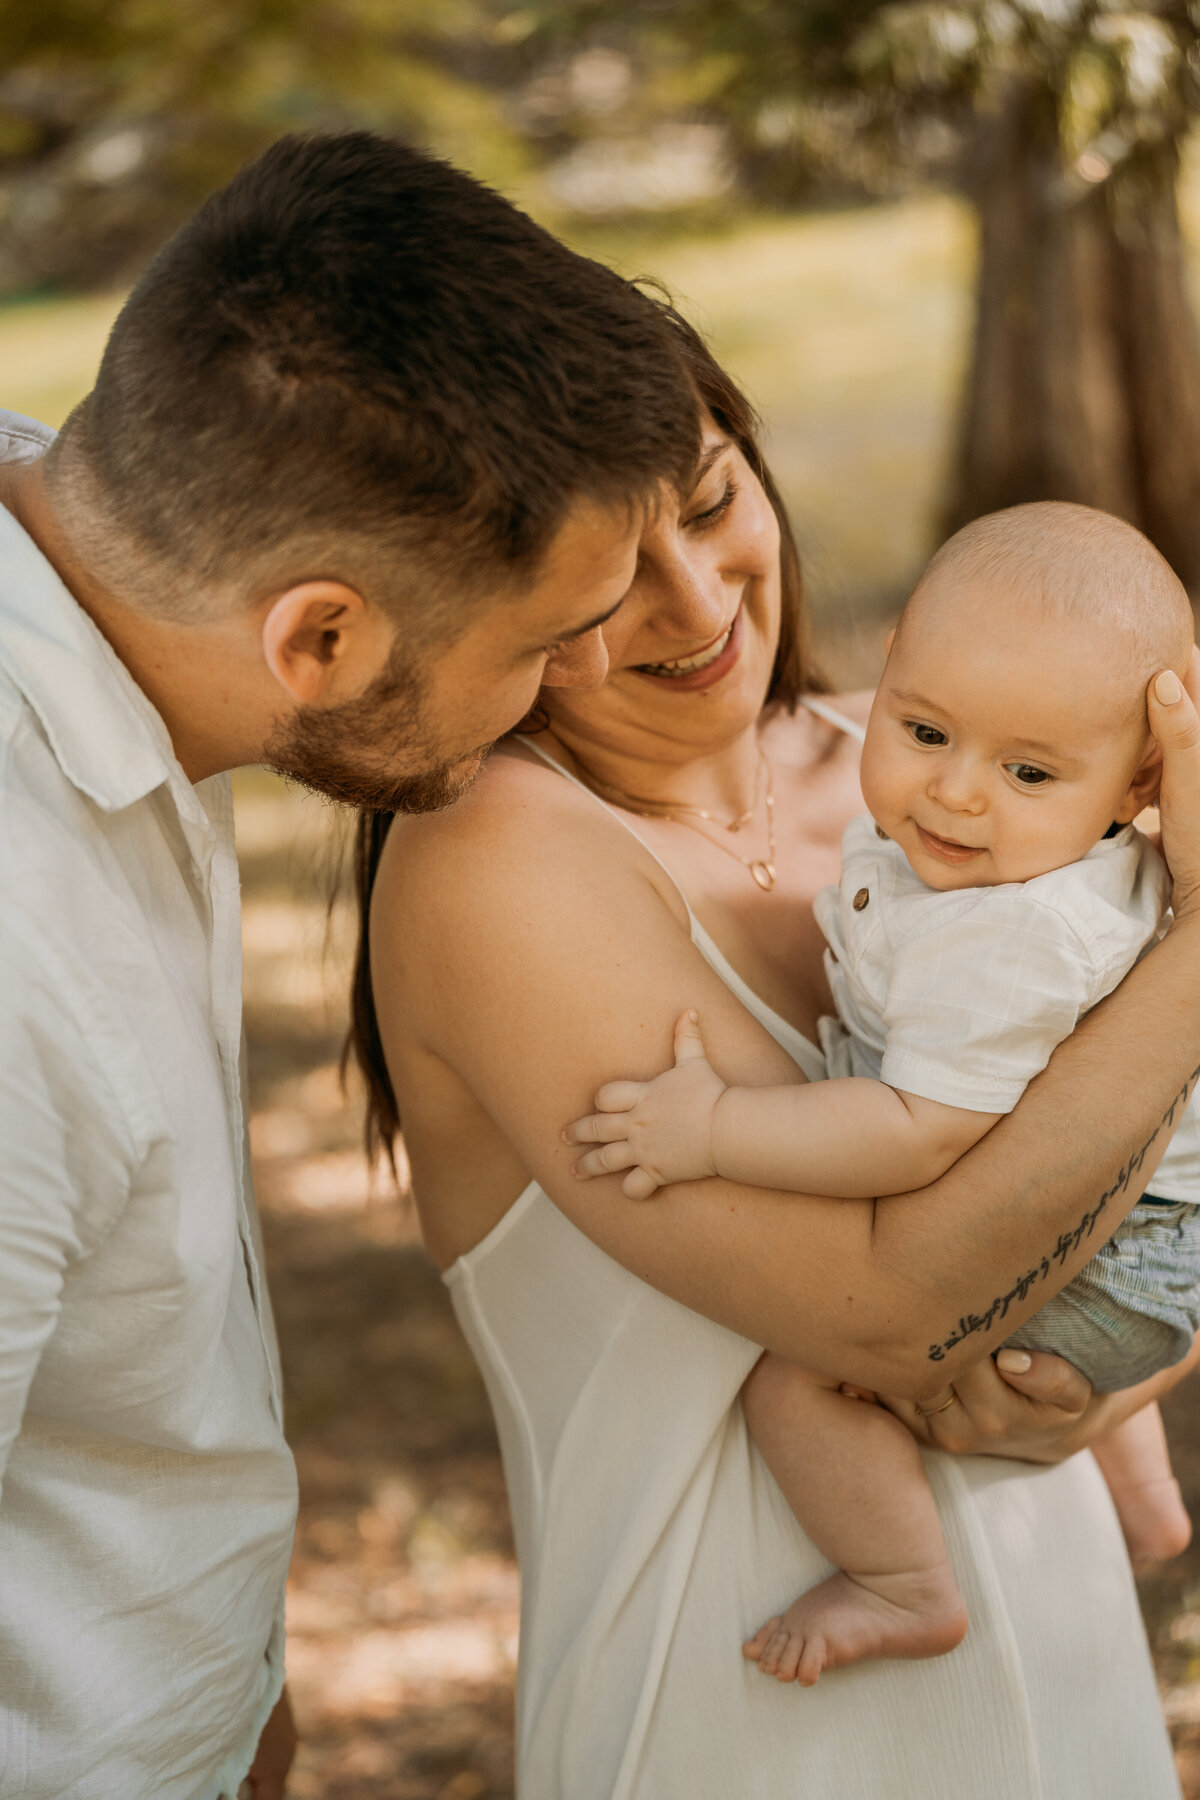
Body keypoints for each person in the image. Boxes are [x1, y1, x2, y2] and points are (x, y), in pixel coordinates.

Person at [355, 308, 1200, 1799]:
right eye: (606, 572)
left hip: (1068, 1666)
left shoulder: (946, 778)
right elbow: (896, 1313)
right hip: (742, 1713)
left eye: (706, 501)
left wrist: (1154, 1331)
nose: (693, 605)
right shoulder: (497, 856)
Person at [0, 129, 704, 1800]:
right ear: (318, 637)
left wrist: (231, 1697)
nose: (595, 668)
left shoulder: (92, 567)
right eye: (541, 638)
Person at [565, 500, 1200, 1690]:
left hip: (1127, 1251)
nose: (958, 796)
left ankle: (902, 1583)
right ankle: (1153, 1504)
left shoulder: (1010, 934)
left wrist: (713, 1131)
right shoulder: (1036, 854)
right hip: (1154, 1219)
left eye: (1026, 771)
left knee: (795, 1377)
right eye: (924, 730)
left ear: (1136, 786)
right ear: (892, 665)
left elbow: (916, 1135)